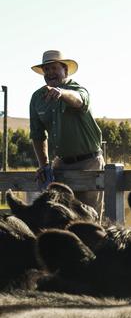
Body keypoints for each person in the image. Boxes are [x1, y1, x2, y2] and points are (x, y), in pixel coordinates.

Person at [29, 50, 105, 218]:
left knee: (89, 218)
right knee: (59, 217)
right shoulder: (37, 98)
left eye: (54, 68)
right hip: (60, 165)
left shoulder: (77, 89)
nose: (49, 73)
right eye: (46, 70)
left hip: (89, 163)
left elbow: (79, 100)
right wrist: (44, 165)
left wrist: (62, 93)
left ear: (65, 70)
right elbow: (37, 134)